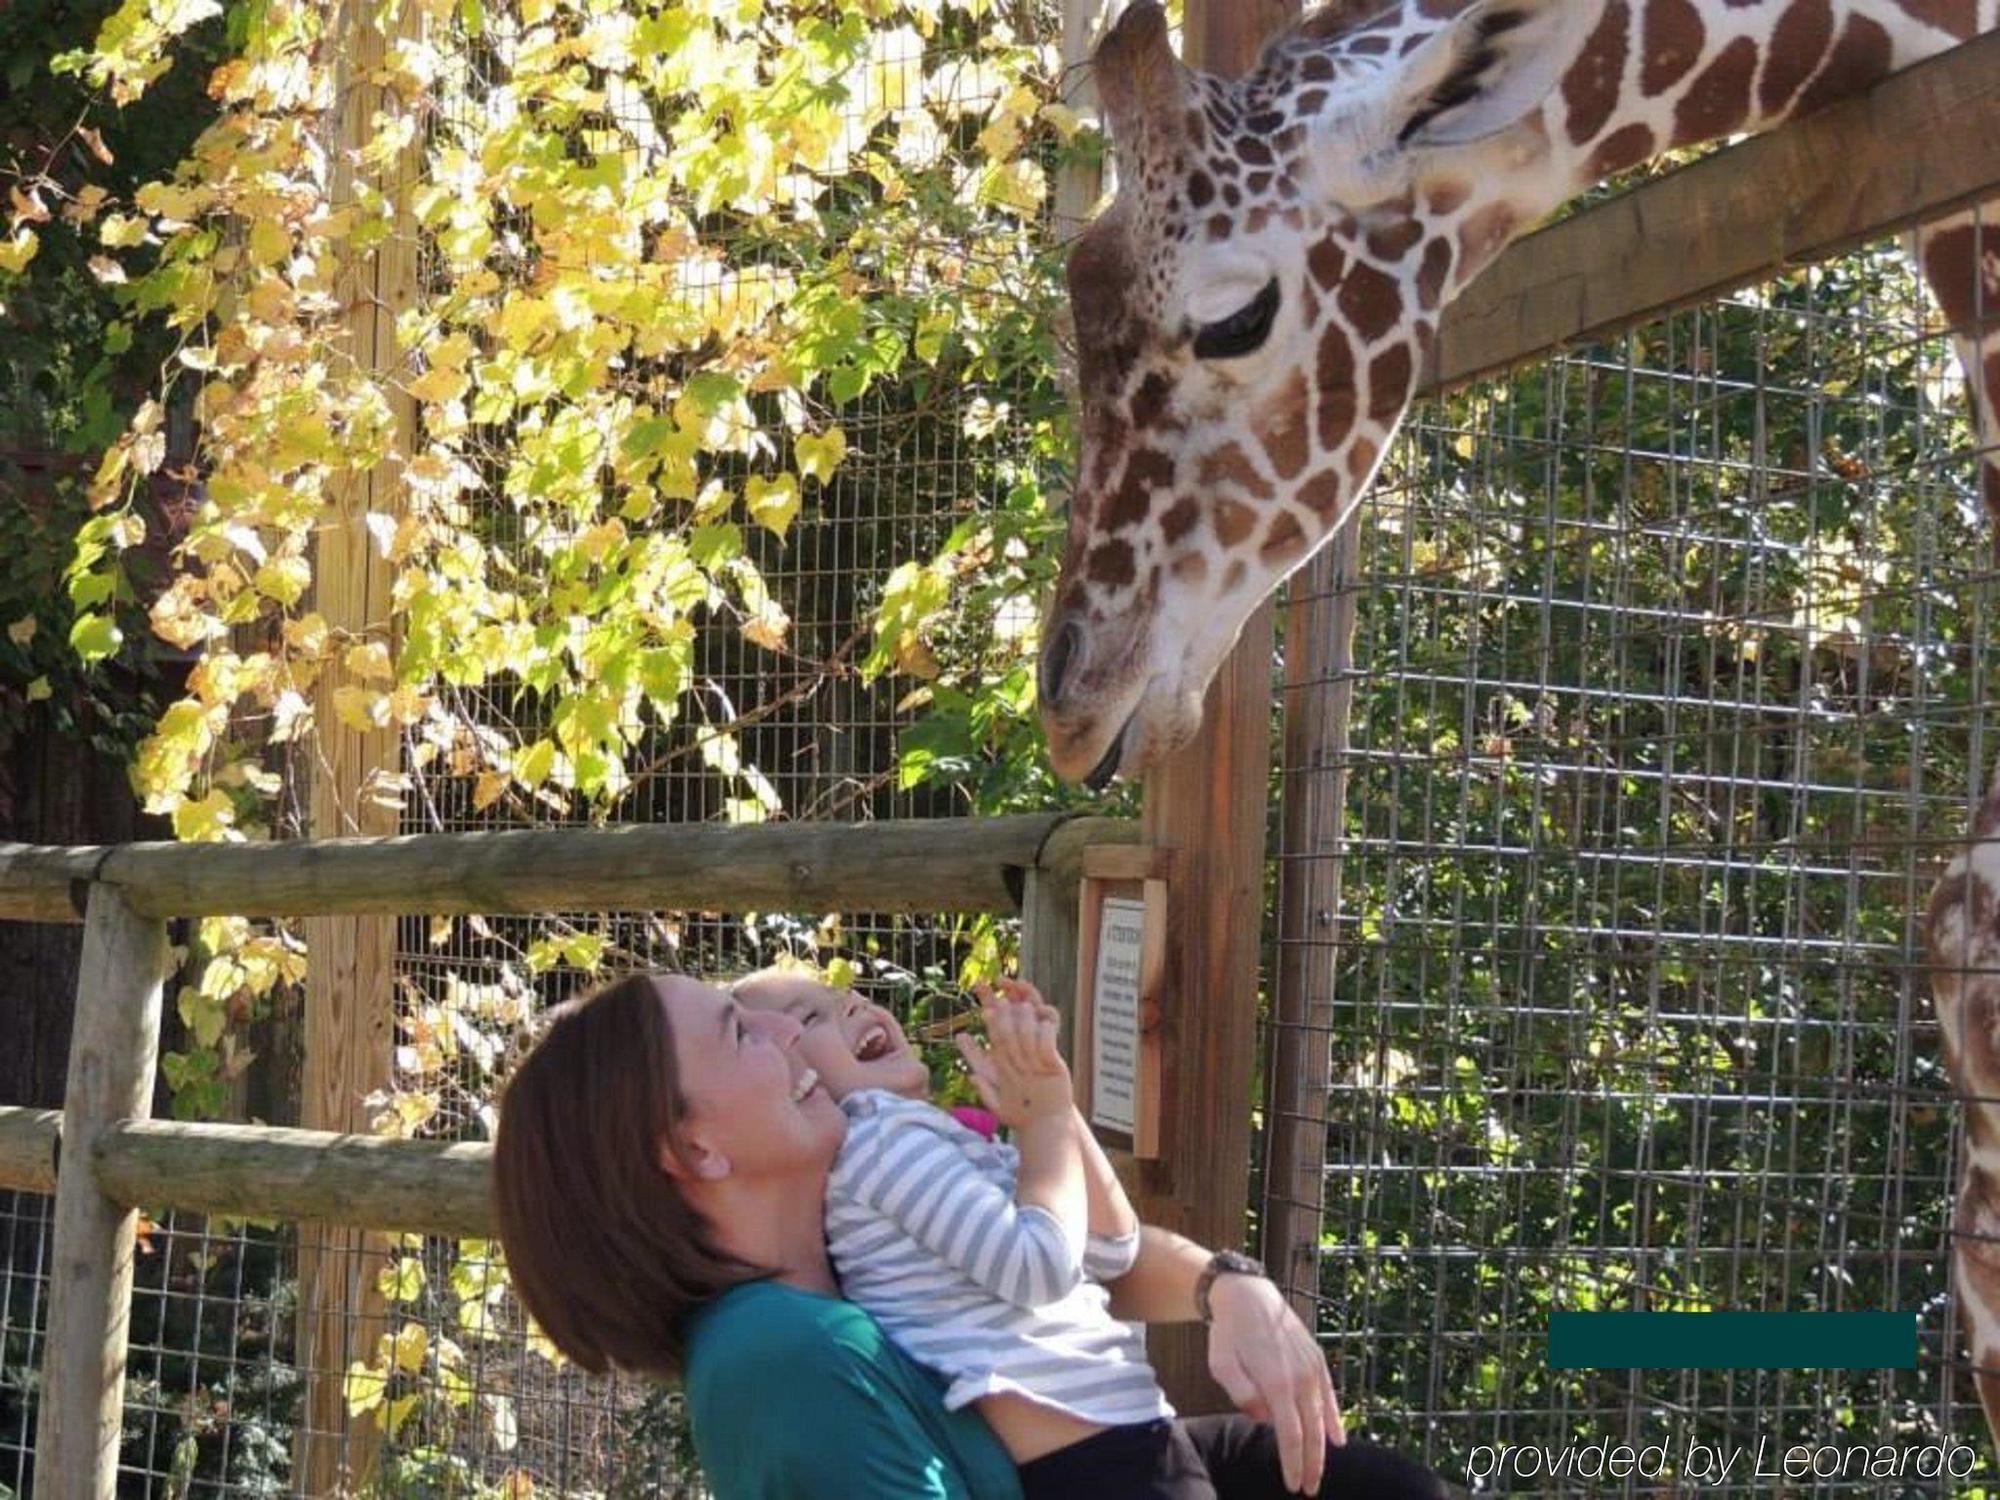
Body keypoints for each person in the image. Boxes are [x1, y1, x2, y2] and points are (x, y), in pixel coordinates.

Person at [492, 969, 1448, 1500]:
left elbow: (1090, 1266)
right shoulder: (784, 1355)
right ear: (693, 1149)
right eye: (744, 1033)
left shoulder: (844, 1255)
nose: (794, 1036)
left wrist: (1232, 1287)